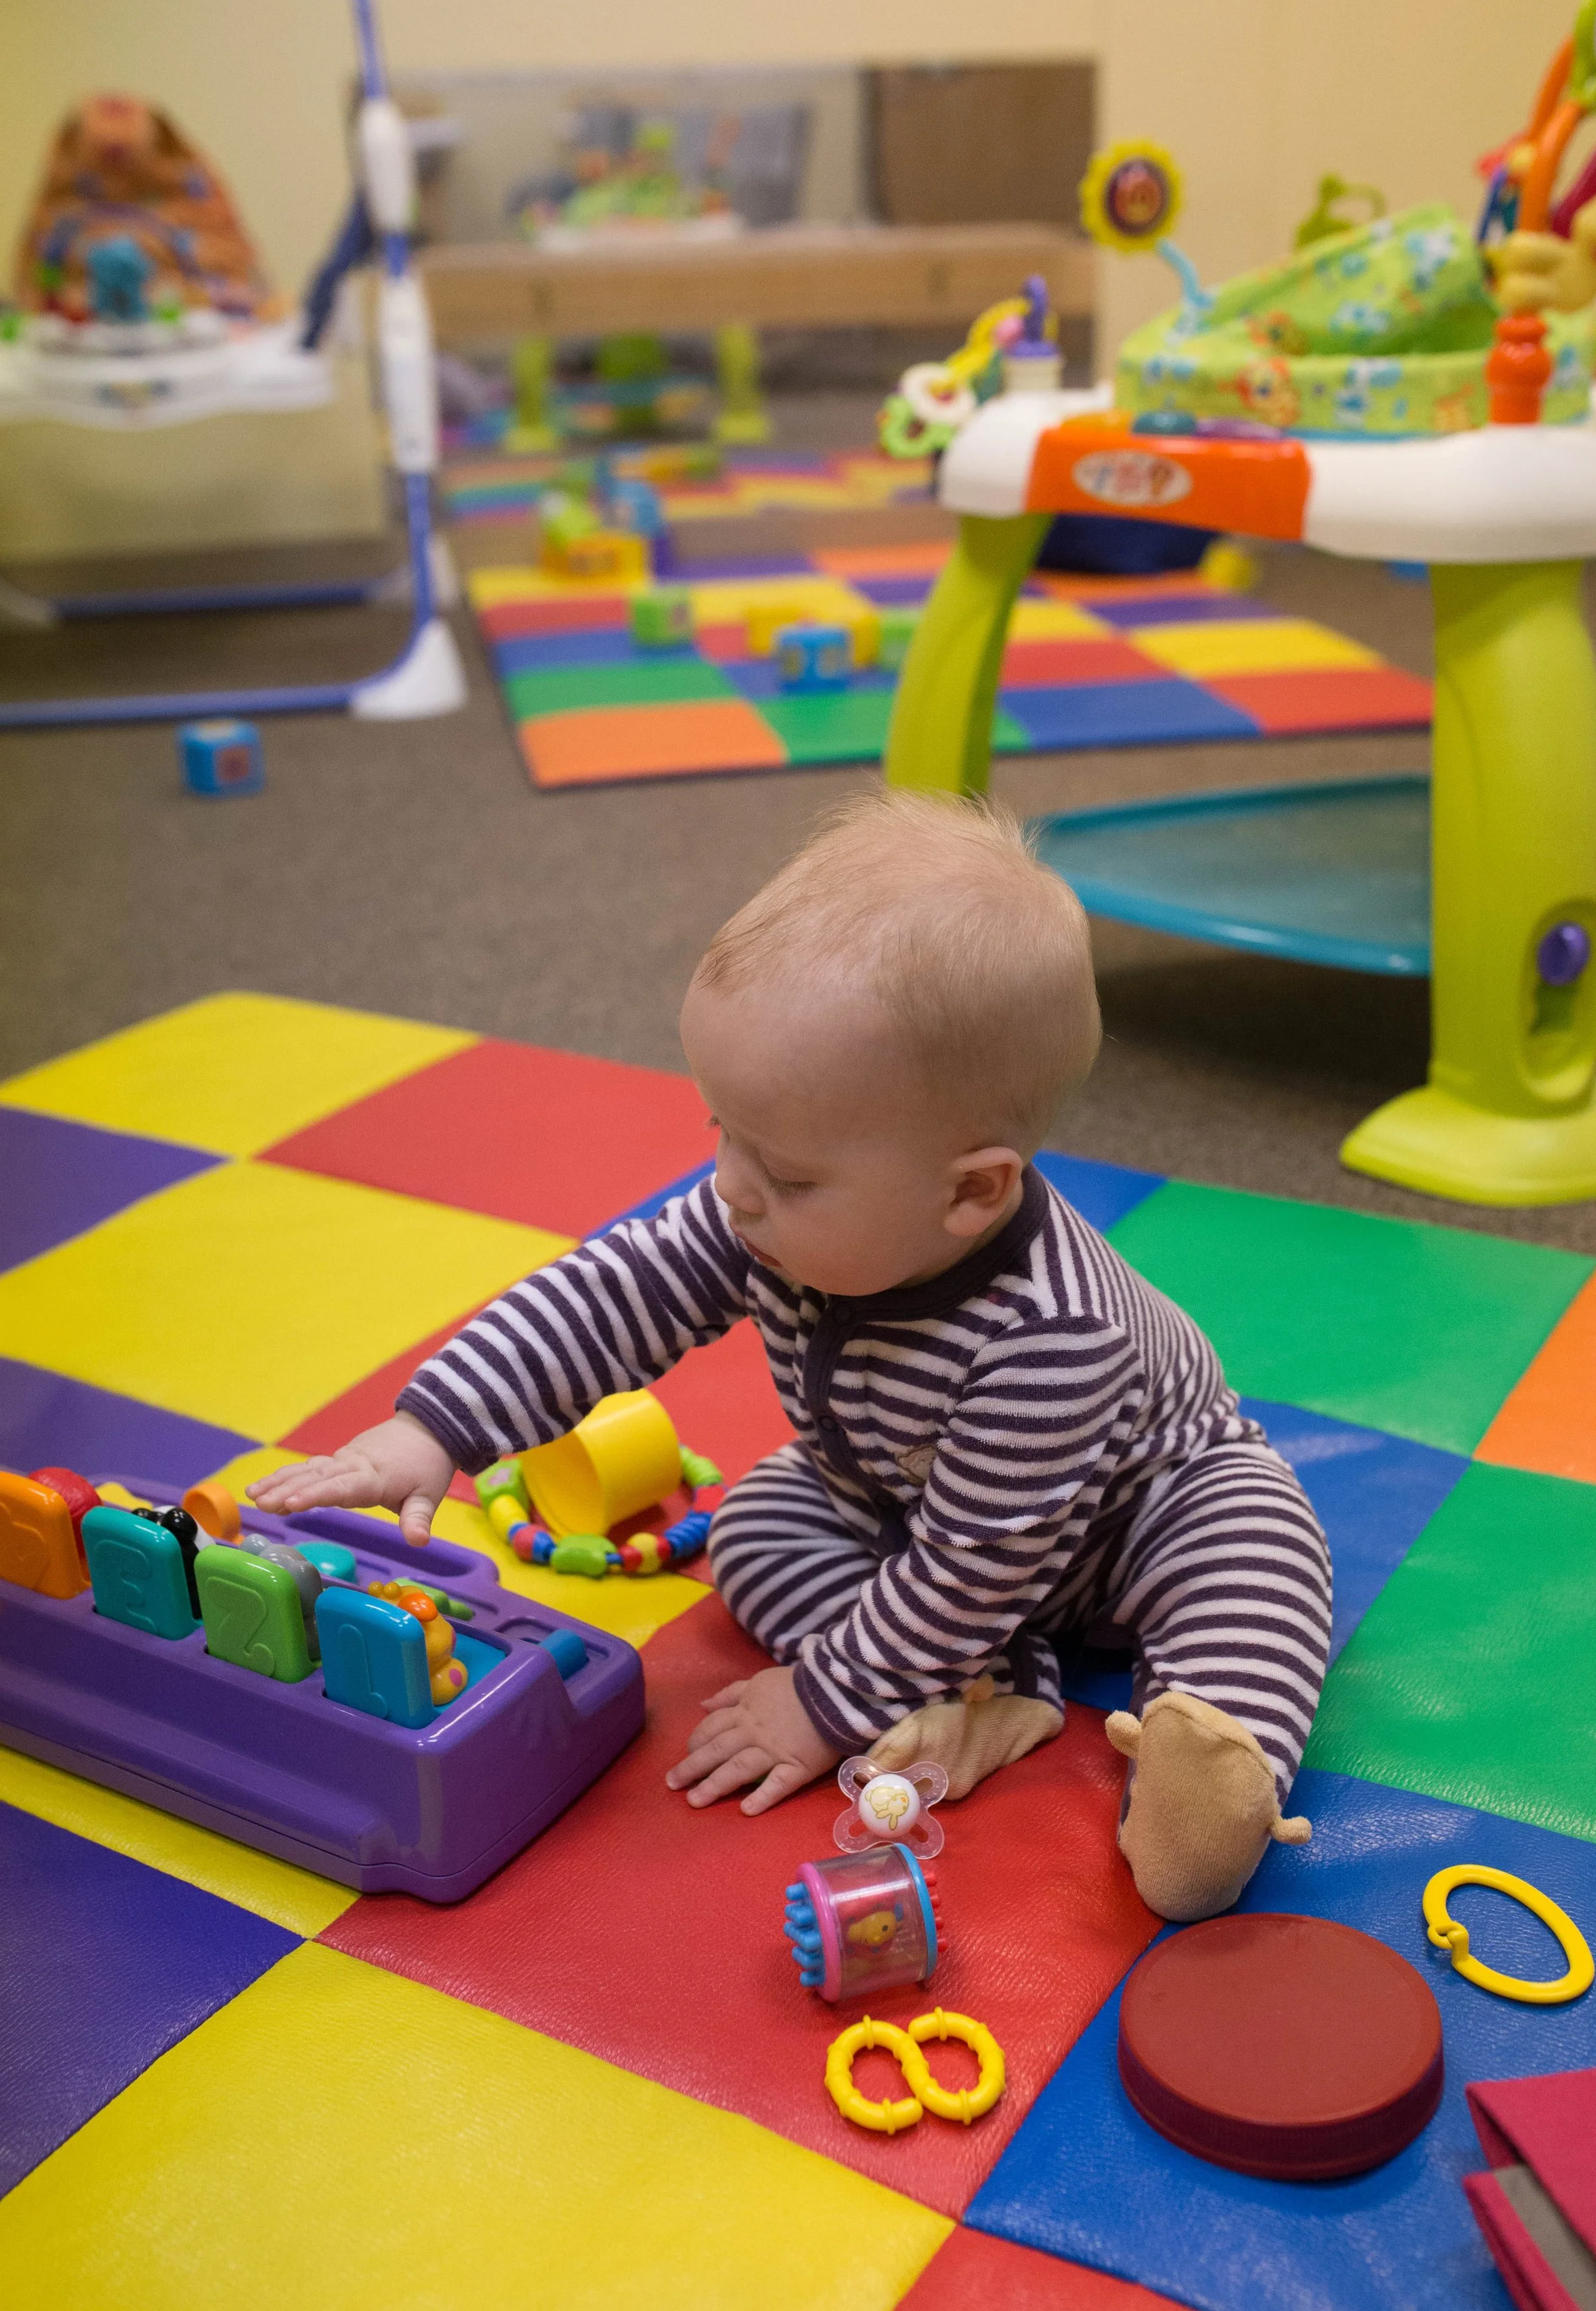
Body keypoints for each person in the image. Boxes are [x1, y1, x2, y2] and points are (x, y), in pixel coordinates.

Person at [250, 789, 1331, 1918]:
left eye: (790, 1171)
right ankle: (998, 1688)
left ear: (972, 1190)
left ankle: (1210, 1779)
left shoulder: (1055, 1331)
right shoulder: (768, 1215)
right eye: (723, 1131)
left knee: (1259, 1556)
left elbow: (974, 1566)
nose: (732, 1185)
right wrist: (435, 1430)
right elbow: (605, 1294)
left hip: (1141, 1516)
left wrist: (824, 1702)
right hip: (916, 1519)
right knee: (757, 1524)